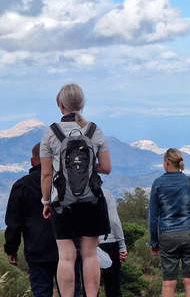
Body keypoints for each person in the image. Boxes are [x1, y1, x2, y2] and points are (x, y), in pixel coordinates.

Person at [40, 83, 111, 297]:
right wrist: (90, 168)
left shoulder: (51, 133)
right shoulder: (94, 130)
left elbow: (46, 174)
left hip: (61, 202)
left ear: (60, 104)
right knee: (90, 255)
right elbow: (106, 168)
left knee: (66, 257)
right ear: (81, 104)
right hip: (91, 201)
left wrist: (46, 202)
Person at [4, 143, 82, 297]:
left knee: (41, 292)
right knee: (71, 292)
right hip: (69, 249)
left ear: (32, 162)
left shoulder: (21, 186)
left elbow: (14, 222)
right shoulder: (69, 183)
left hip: (37, 251)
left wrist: (11, 249)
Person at [148, 148, 190, 297]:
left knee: (168, 283)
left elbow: (152, 217)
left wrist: (154, 242)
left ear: (166, 162)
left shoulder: (158, 183)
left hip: (167, 237)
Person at [99, 189, 128, 297]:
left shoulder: (75, 193)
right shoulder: (106, 193)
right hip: (109, 242)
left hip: (87, 244)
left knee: (90, 287)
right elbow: (114, 221)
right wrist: (122, 246)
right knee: (113, 287)